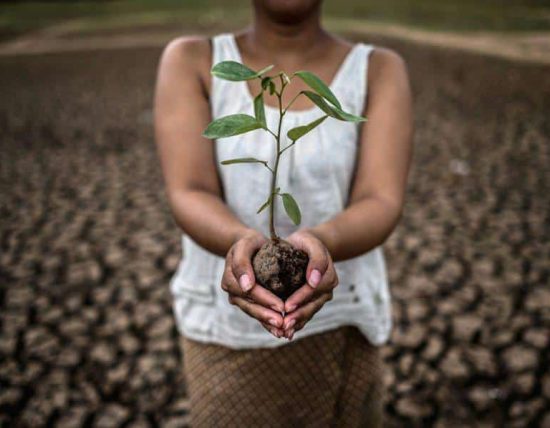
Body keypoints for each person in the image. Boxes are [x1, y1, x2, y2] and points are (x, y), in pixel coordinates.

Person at [154, 0, 412, 425]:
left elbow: (381, 199)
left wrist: (323, 242)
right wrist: (241, 244)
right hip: (227, 334)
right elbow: (188, 189)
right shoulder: (193, 60)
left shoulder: (378, 69)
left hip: (342, 322)